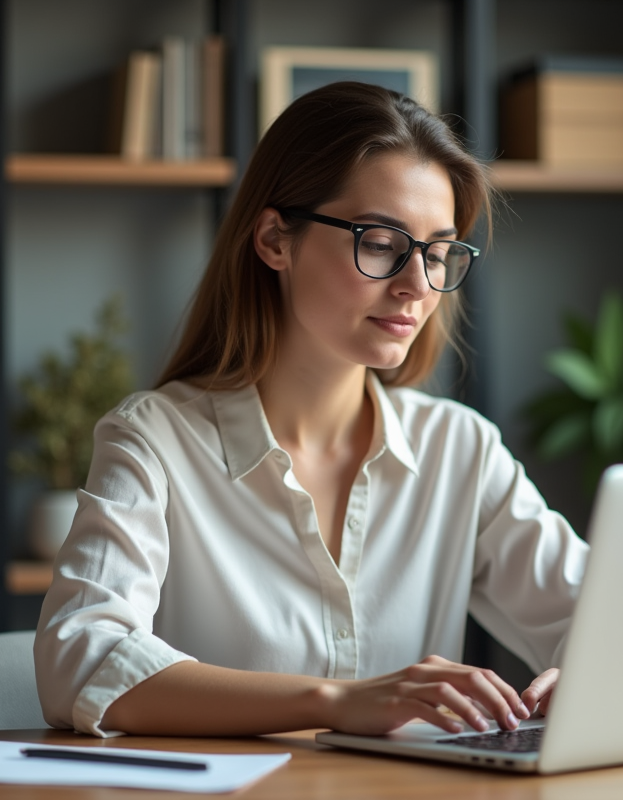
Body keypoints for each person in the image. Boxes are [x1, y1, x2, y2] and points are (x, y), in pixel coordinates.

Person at [34, 81, 589, 738]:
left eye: (438, 253)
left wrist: (595, 667)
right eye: (382, 243)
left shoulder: (459, 448)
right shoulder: (154, 440)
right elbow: (80, 658)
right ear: (275, 240)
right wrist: (333, 702)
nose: (416, 285)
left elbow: (603, 617)